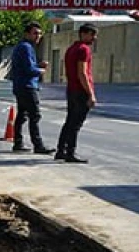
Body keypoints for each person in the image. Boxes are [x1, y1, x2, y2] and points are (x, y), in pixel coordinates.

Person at [8, 22, 54, 155]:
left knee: (22, 114)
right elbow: (29, 69)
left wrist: (37, 66)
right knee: (35, 115)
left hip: (20, 85)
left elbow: (25, 66)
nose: (38, 36)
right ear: (27, 34)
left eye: (39, 33)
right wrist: (40, 70)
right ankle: (38, 145)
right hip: (27, 86)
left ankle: (18, 142)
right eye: (35, 33)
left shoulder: (23, 47)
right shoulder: (26, 47)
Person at [55, 23, 98, 164]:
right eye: (92, 34)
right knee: (75, 124)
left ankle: (61, 150)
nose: (94, 38)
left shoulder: (71, 49)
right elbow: (82, 73)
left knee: (69, 121)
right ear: (84, 34)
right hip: (80, 91)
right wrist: (91, 94)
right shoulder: (83, 50)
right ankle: (70, 153)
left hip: (71, 90)